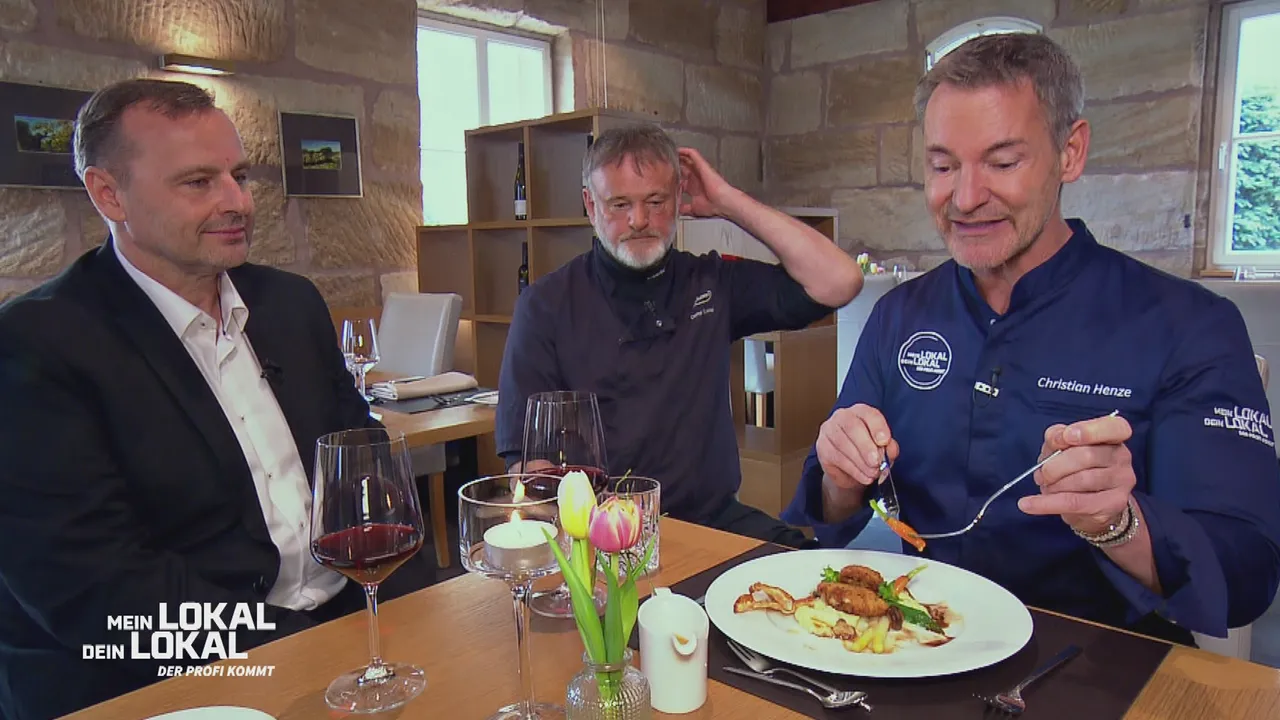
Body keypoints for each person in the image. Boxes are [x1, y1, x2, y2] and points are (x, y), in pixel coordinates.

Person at [782, 32, 1280, 645]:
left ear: (1070, 152)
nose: (965, 198)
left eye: (1002, 162)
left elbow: (1247, 572)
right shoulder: (898, 316)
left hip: (1098, 659)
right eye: (943, 166)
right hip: (917, 646)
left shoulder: (1189, 325)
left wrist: (1118, 523)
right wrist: (841, 474)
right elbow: (830, 515)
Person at [0, 79, 431, 719]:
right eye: (198, 182)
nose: (237, 202)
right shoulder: (37, 343)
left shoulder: (290, 303)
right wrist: (303, 654)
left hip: (349, 634)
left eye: (240, 176)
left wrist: (417, 612)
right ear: (109, 194)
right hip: (162, 680)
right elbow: (94, 590)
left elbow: (365, 467)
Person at [496, 124, 863, 546]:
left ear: (678, 198)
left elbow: (841, 280)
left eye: (656, 202)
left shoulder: (709, 282)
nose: (639, 220)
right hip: (604, 535)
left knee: (811, 568)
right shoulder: (545, 305)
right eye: (619, 204)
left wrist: (727, 201)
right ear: (590, 206)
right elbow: (529, 470)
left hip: (713, 523)